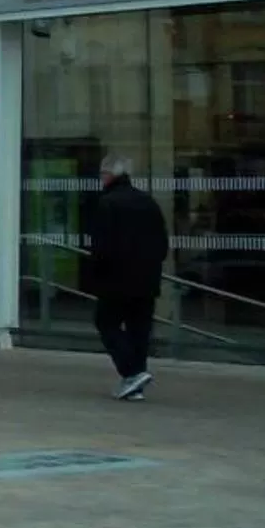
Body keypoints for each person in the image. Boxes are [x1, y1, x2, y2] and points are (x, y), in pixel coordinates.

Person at [84, 157, 169, 400]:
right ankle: (135, 384)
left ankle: (132, 372)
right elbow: (162, 243)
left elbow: (101, 246)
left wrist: (94, 275)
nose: (101, 179)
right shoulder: (148, 202)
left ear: (110, 175)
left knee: (106, 323)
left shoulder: (107, 204)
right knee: (139, 330)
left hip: (116, 279)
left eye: (102, 174)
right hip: (147, 279)